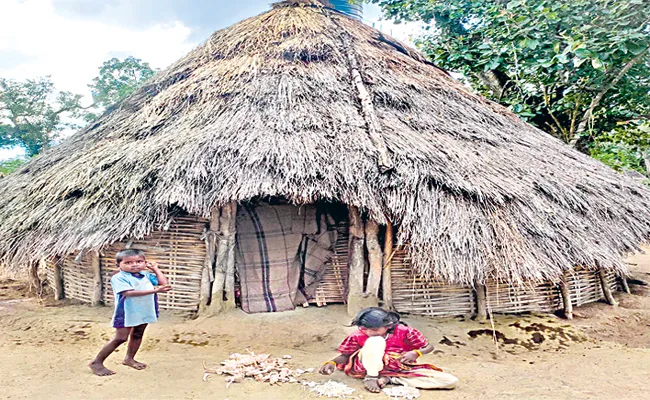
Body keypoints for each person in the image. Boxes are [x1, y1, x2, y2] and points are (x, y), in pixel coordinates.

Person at [319, 307, 458, 393]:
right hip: (365, 367)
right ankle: (372, 377)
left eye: (374, 329)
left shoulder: (404, 331)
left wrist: (416, 353)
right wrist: (331, 362)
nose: (367, 332)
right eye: (364, 328)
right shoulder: (359, 335)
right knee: (375, 341)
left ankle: (390, 379)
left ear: (388, 326)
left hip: (397, 368)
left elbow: (428, 346)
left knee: (450, 381)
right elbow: (346, 355)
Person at [88, 249, 172, 376]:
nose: (135, 265)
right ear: (119, 265)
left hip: (145, 310)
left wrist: (155, 269)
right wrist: (154, 291)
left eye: (139, 261)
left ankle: (129, 359)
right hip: (127, 312)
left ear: (145, 262)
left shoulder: (145, 275)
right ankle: (96, 362)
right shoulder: (118, 278)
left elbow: (163, 283)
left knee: (138, 333)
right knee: (120, 337)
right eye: (128, 262)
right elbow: (128, 293)